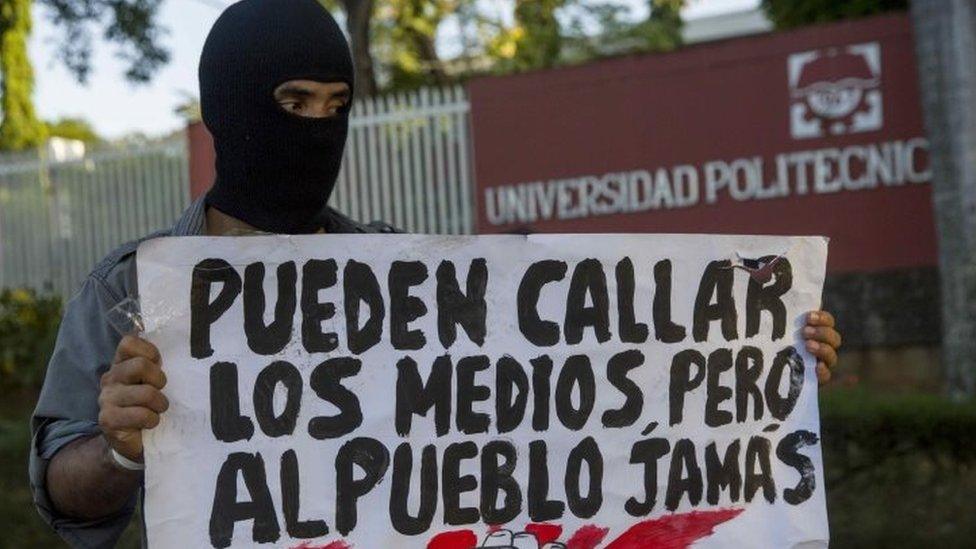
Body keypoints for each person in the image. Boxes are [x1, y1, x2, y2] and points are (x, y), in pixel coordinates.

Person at [28, 0, 843, 546]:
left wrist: (765, 366)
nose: (318, 127)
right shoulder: (127, 290)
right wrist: (122, 448)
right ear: (227, 111)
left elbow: (574, 394)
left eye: (336, 106)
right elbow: (64, 491)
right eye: (293, 102)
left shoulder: (403, 278)